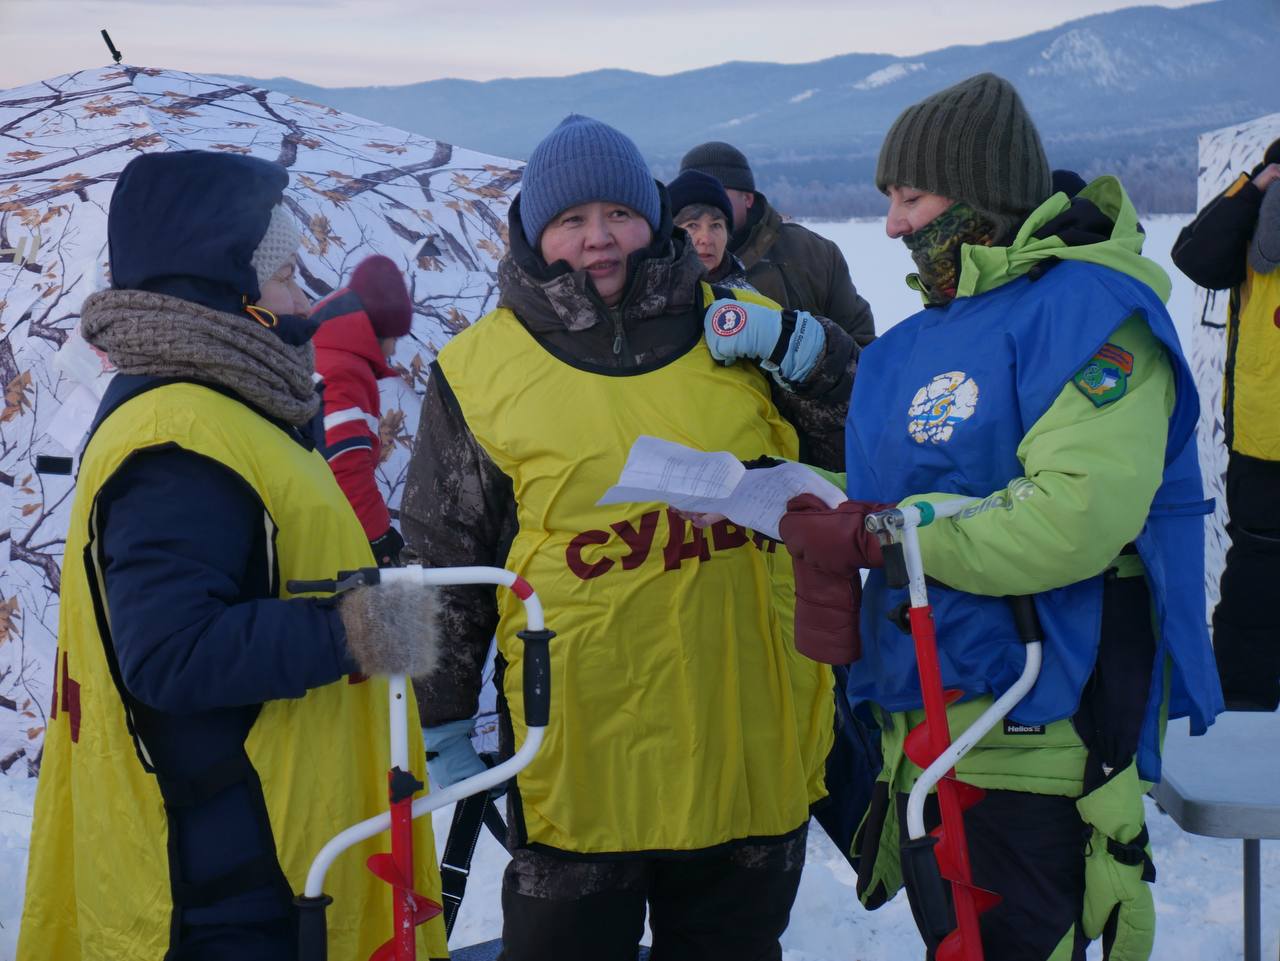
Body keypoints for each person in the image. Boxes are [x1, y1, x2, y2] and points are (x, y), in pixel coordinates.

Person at [780, 74, 1223, 961]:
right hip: (923, 719)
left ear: (980, 196)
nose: (895, 225)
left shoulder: (1091, 313)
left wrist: (891, 534)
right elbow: (923, 478)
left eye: (912, 196)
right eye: (888, 201)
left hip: (1037, 721)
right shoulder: (918, 339)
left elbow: (1074, 512)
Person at [401, 114, 861, 961]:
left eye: (618, 213)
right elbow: (439, 557)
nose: (598, 239)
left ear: (654, 218)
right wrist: (435, 720)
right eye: (571, 220)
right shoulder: (480, 368)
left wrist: (815, 350)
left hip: (747, 733)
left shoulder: (741, 328)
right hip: (579, 755)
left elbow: (859, 446)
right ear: (536, 235)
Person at [19, 150, 448, 961]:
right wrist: (361, 630)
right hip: (237, 883)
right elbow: (172, 651)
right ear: (229, 285)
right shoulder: (179, 435)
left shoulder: (221, 403)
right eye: (283, 273)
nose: (300, 296)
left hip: (267, 852)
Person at [1171, 138, 1280, 711]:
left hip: (1262, 433)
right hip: (1264, 441)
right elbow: (1194, 256)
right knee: (1257, 581)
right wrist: (1254, 185)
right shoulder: (1262, 204)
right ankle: (1242, 709)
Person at [679, 139, 876, 347]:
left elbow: (860, 343)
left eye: (717, 194)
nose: (707, 207)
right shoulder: (665, 265)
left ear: (747, 198)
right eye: (694, 200)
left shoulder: (811, 253)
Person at [312, 253, 413, 567]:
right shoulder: (344, 372)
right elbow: (345, 463)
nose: (395, 350)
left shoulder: (323, 352)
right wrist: (378, 537)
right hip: (322, 532)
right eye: (394, 337)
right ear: (378, 331)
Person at [667, 168, 750, 287]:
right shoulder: (643, 297)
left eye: (716, 225)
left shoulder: (748, 303)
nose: (706, 239)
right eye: (692, 225)